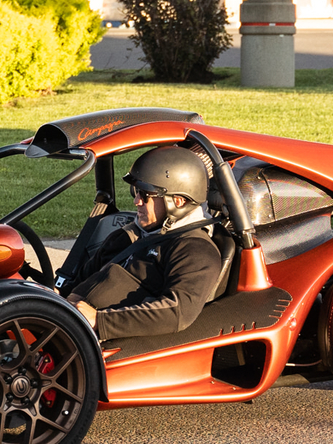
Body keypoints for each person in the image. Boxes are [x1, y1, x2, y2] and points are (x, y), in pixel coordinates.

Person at [66, 146, 226, 341]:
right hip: (71, 329)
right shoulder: (127, 237)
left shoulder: (195, 250)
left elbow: (177, 312)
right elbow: (77, 280)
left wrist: (100, 320)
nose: (136, 201)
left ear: (178, 201)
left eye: (145, 195)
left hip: (112, 348)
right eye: (136, 191)